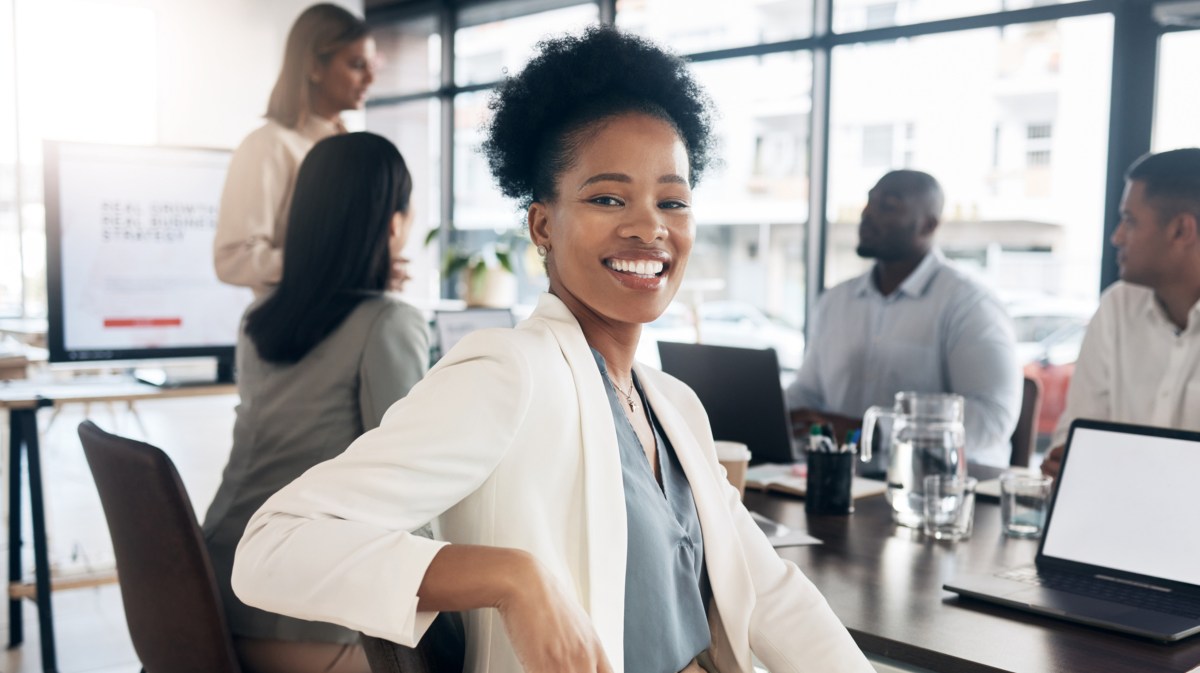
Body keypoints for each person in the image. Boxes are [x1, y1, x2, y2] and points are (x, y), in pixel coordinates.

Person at [231, 27, 872, 673]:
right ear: (542, 225)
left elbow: (771, 592)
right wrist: (512, 578)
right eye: (607, 197)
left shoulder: (674, 405)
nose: (649, 225)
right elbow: (273, 546)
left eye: (672, 201)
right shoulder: (510, 372)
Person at [203, 132, 429, 673]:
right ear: (394, 223)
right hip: (301, 615)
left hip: (206, 589)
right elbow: (414, 487)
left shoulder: (261, 318)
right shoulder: (388, 323)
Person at [787, 170, 1021, 469]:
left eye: (888, 206)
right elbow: (809, 392)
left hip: (935, 490)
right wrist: (780, 411)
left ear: (928, 224)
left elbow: (990, 419)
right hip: (837, 481)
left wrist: (871, 433)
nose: (867, 214)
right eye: (869, 202)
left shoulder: (969, 304)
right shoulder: (836, 301)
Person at [1040, 148, 1200, 479]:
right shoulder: (1118, 306)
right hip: (1111, 520)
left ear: (1182, 231)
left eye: (1129, 221)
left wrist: (1105, 464)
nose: (1117, 237)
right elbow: (1073, 441)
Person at [213, 3, 381, 295]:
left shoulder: (357, 150)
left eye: (372, 66)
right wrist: (332, 266)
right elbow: (233, 259)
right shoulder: (268, 146)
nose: (370, 78)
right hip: (294, 332)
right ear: (315, 67)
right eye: (356, 65)